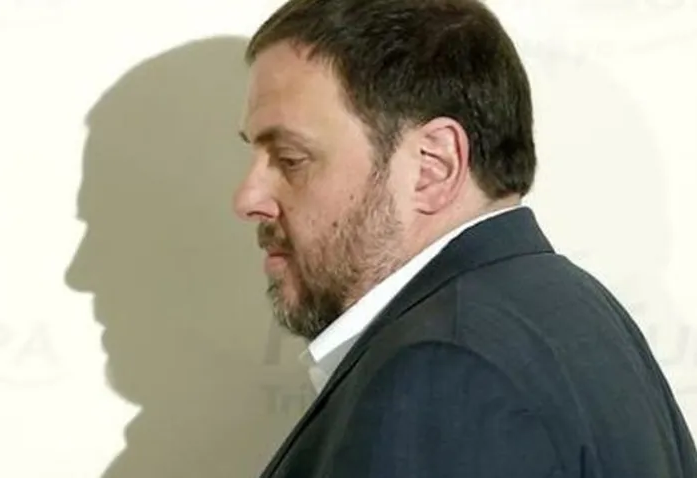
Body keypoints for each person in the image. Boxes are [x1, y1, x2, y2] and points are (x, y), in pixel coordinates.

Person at [231, 0, 697, 476]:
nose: (247, 198)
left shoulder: (444, 372)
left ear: (433, 166)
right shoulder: (575, 312)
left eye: (290, 159)